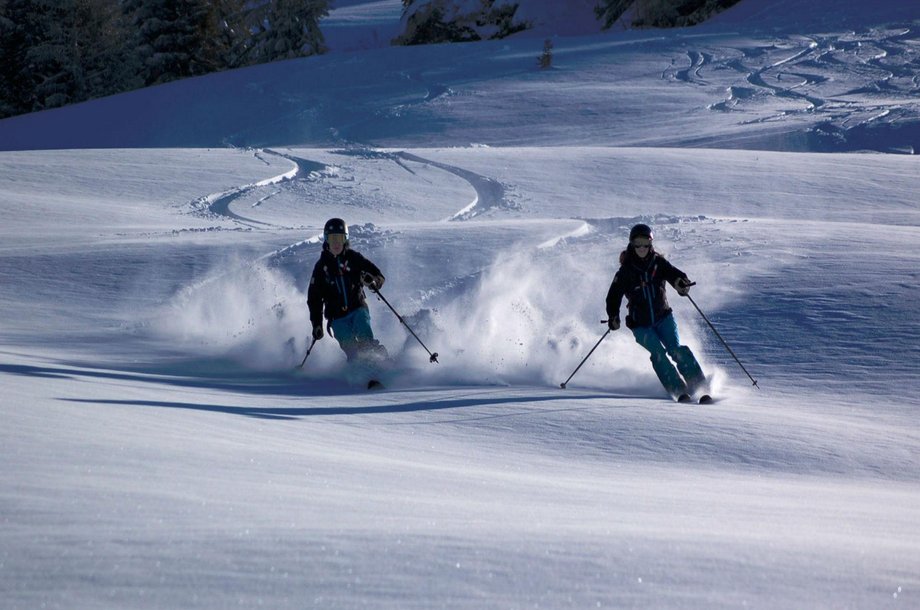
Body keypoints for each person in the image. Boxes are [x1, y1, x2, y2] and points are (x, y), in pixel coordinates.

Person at [605, 223, 708, 402]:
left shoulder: (658, 263)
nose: (642, 248)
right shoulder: (625, 271)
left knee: (676, 350)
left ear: (651, 244)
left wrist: (681, 283)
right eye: (638, 243)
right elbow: (613, 296)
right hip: (640, 325)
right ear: (631, 244)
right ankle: (678, 390)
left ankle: (699, 386)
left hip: (664, 317)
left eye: (646, 243)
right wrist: (613, 317)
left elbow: (673, 274)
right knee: (658, 354)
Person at [308, 218, 388, 373]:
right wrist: (317, 324)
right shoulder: (321, 267)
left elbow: (378, 276)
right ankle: (360, 373)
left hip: (357, 308)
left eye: (340, 238)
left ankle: (380, 365)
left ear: (346, 239)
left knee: (365, 336)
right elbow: (314, 298)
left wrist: (372, 281)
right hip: (336, 318)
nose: (336, 243)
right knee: (350, 347)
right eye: (332, 238)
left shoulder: (354, 258)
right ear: (326, 240)